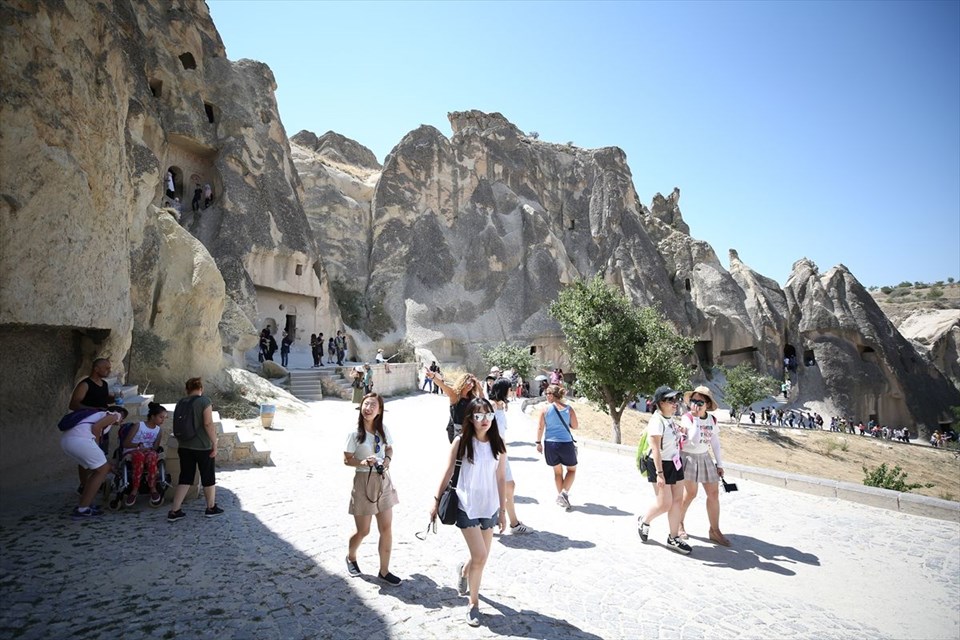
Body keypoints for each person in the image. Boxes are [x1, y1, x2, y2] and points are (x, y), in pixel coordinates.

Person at [429, 397, 507, 627]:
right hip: (466, 504)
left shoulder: (499, 443)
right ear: (470, 418)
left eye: (489, 415)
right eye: (479, 415)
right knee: (480, 556)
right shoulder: (461, 441)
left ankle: (464, 571)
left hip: (489, 506)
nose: (485, 420)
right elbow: (448, 470)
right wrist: (435, 500)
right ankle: (473, 604)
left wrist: (503, 511)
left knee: (480, 558)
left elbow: (501, 478)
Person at [344, 393, 401, 585]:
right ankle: (351, 557)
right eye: (365, 404)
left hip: (383, 481)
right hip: (363, 481)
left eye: (372, 405)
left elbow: (390, 449)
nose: (368, 408)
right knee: (364, 531)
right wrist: (362, 462)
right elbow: (347, 459)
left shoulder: (382, 430)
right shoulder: (353, 433)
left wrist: (387, 459)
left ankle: (384, 571)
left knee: (386, 528)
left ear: (379, 410)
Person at [637, 386, 692, 554]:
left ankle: (673, 538)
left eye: (676, 399)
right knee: (664, 503)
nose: (675, 403)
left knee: (677, 501)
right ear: (660, 403)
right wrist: (660, 475)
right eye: (671, 400)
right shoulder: (656, 421)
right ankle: (644, 521)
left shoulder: (669, 418)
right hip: (659, 464)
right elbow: (655, 450)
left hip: (675, 463)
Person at [676, 386, 730, 546]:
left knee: (713, 494)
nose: (696, 405)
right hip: (688, 457)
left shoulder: (712, 420)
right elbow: (692, 438)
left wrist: (719, 464)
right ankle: (679, 523)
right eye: (693, 401)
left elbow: (714, 442)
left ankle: (715, 530)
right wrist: (697, 418)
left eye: (700, 402)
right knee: (690, 494)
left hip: (705, 458)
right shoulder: (687, 418)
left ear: (707, 404)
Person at [167, 377, 223, 522]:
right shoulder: (204, 401)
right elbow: (208, 424)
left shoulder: (181, 402)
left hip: (184, 445)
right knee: (208, 477)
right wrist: (214, 442)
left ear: (187, 389)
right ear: (201, 388)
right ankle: (211, 508)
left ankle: (175, 510)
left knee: (185, 477)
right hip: (202, 446)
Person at [61, 407, 126, 519]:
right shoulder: (115, 415)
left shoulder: (99, 415)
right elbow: (96, 427)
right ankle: (83, 509)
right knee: (103, 469)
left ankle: (83, 505)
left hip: (67, 441)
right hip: (80, 441)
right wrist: (97, 448)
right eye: (123, 418)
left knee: (99, 470)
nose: (122, 421)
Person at [68, 358, 117, 493]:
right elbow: (73, 404)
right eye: (106, 368)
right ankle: (84, 484)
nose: (109, 370)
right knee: (85, 456)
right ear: (96, 368)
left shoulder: (104, 384)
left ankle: (96, 482)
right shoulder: (85, 384)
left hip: (102, 426)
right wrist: (93, 410)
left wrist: (113, 398)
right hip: (87, 425)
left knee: (100, 453)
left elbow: (103, 398)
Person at [489, 377, 531, 534]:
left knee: (509, 486)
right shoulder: (492, 406)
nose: (512, 390)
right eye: (509, 387)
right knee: (499, 487)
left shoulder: (501, 406)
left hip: (501, 452)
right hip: (493, 453)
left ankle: (513, 522)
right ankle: (505, 522)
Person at [535, 384, 578, 510]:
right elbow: (575, 426)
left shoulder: (545, 410)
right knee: (572, 470)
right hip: (566, 443)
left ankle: (561, 496)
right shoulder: (568, 409)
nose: (546, 396)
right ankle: (563, 494)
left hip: (550, 444)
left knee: (557, 472)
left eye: (548, 393)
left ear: (553, 395)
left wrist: (538, 443)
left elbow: (540, 427)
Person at [121, 402, 166, 507]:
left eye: (164, 417)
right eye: (161, 417)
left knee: (152, 456)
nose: (163, 420)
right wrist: (139, 446)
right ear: (152, 416)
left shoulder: (159, 430)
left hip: (147, 451)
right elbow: (126, 443)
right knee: (139, 456)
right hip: (133, 450)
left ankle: (152, 487)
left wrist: (148, 449)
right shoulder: (139, 425)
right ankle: (135, 489)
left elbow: (155, 448)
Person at [427, 370, 481, 443]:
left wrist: (479, 386)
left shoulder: (473, 397)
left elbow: (483, 403)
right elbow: (442, 385)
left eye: (472, 383)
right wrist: (433, 377)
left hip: (469, 428)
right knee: (457, 452)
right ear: (463, 382)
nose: (470, 384)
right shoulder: (455, 395)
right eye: (468, 381)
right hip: (456, 429)